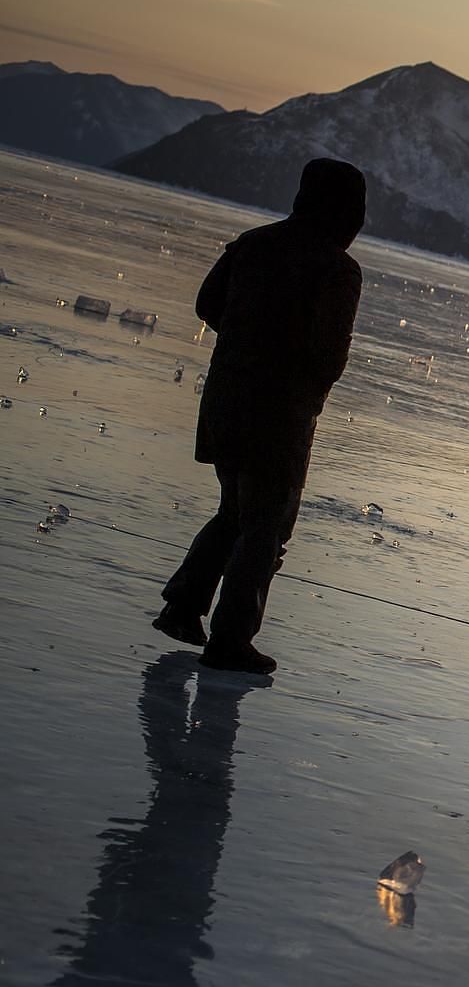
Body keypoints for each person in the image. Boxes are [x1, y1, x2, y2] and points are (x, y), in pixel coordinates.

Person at [152, 158, 367, 674]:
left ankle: (183, 606)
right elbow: (329, 356)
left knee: (236, 512)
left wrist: (246, 339)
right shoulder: (336, 269)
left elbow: (207, 303)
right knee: (265, 525)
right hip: (279, 414)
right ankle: (229, 639)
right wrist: (300, 377)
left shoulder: (253, 243)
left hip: (227, 400)